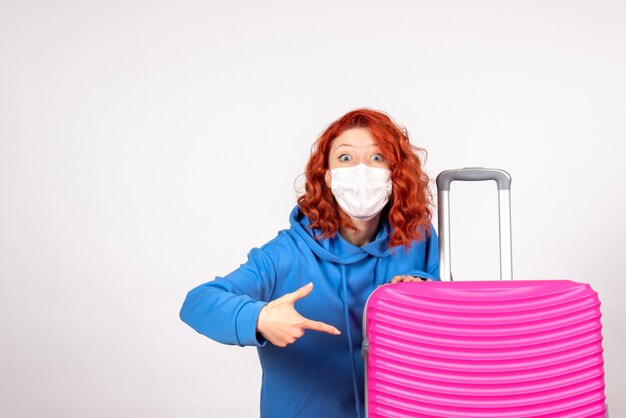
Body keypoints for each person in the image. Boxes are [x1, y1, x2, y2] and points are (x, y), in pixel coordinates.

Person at [179, 108, 440, 418]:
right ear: (327, 177)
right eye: (345, 158)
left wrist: (425, 293)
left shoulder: (415, 238)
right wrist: (260, 319)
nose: (361, 171)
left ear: (395, 173)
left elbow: (440, 328)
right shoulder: (286, 254)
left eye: (377, 158)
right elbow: (197, 302)